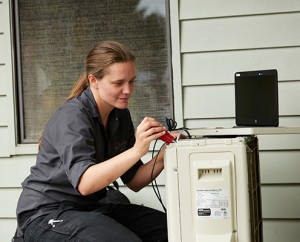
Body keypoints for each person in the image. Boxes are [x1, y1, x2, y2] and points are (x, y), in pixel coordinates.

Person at [15, 40, 173, 242]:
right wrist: (137, 150)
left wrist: (165, 154)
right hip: (46, 213)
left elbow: (134, 181)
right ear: (93, 80)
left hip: (89, 208)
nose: (128, 90)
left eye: (131, 81)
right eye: (118, 83)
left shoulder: (119, 115)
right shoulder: (73, 116)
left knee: (171, 229)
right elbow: (85, 184)